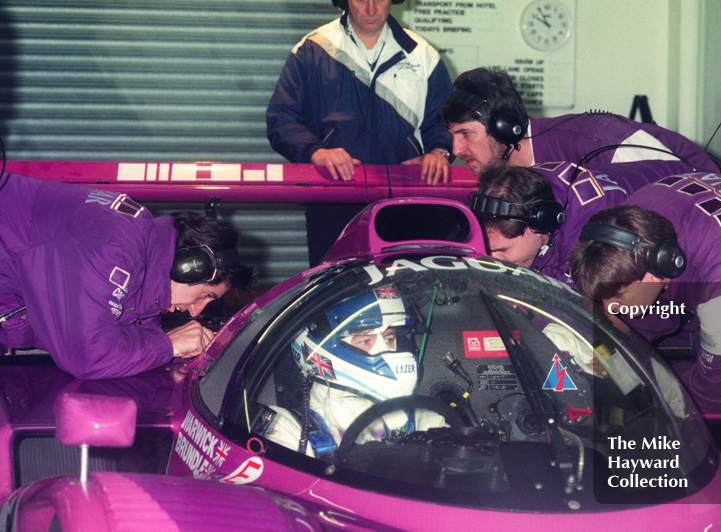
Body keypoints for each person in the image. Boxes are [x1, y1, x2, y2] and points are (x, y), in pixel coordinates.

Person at [568, 172, 721, 412]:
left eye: (618, 298)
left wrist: (633, 376)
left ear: (656, 274)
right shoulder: (638, 218)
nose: (610, 310)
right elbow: (657, 313)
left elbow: (715, 391)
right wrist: (617, 349)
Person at [0, 172, 255, 379]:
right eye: (204, 295)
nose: (196, 312)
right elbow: (86, 356)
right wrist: (169, 344)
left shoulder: (141, 272)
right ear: (189, 265)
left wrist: (189, 352)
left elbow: (129, 344)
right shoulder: (117, 246)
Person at [267, 0, 454, 267]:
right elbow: (281, 118)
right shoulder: (313, 49)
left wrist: (440, 151)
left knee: (406, 291)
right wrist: (315, 151)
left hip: (405, 201)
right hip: (332, 199)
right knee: (333, 291)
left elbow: (446, 121)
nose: (370, 8)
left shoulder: (422, 54)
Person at [437, 67, 721, 178]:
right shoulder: (508, 171)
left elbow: (678, 193)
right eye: (452, 135)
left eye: (466, 134)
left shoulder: (598, 144)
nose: (456, 149)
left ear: (505, 128)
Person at [259, 286, 444, 456]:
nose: (386, 351)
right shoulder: (287, 431)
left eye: (389, 339)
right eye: (365, 341)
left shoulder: (425, 421)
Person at [471, 159, 691, 284]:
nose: (493, 259)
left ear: (541, 224)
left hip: (685, 232)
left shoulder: (595, 218)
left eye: (501, 250)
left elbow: (600, 297)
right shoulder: (521, 189)